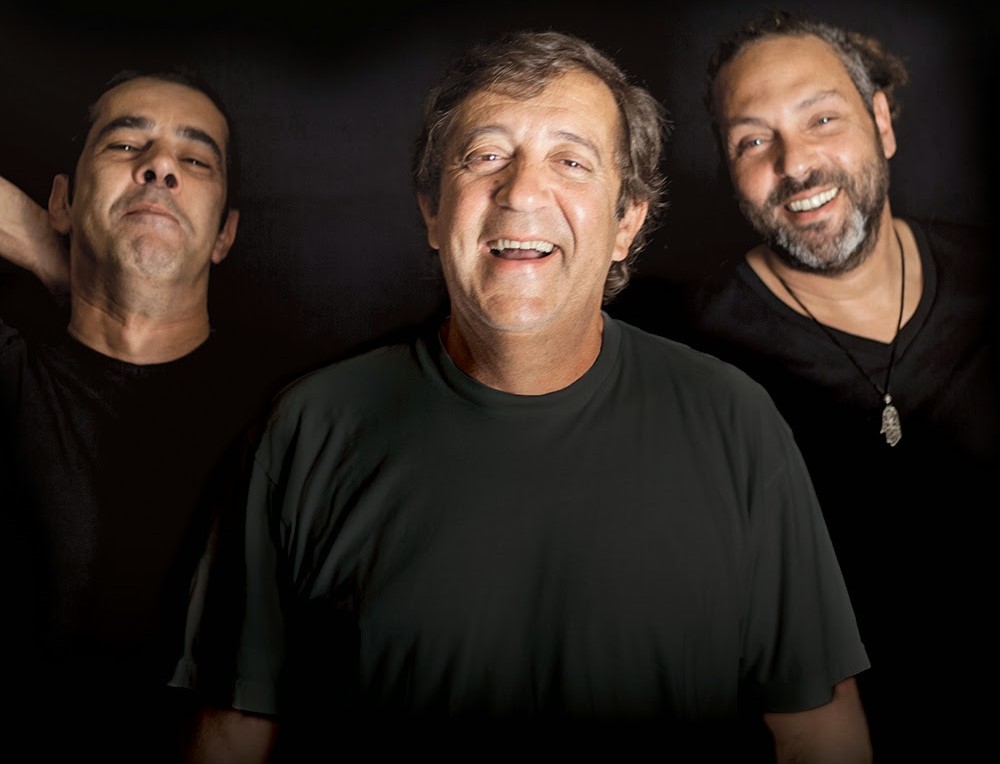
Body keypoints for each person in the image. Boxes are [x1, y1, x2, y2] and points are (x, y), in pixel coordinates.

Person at [178, 29, 872, 762]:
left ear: (627, 222)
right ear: (432, 210)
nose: (522, 192)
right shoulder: (309, 429)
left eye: (570, 161)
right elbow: (233, 736)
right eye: (486, 156)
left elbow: (820, 734)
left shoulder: (735, 423)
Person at [685, 10, 999, 760]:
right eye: (753, 140)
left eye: (822, 118)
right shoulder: (696, 366)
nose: (795, 163)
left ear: (881, 122)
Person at [0, 71, 278, 760]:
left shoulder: (290, 416)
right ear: (62, 199)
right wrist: (48, 249)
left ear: (225, 234)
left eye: (196, 159)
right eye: (126, 145)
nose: (159, 167)